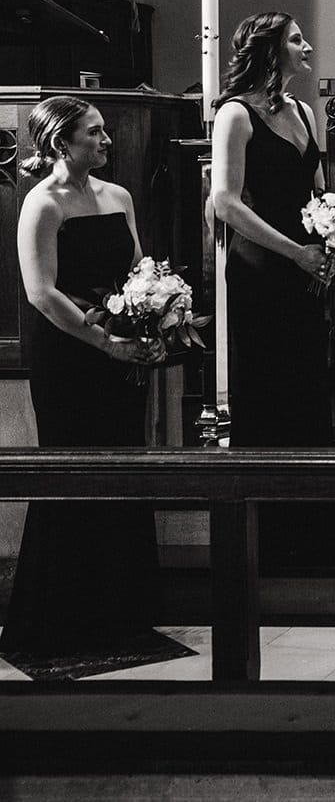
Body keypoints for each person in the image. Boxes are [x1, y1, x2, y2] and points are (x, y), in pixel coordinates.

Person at [3, 98, 164, 655]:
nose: (106, 141)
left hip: (120, 344)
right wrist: (104, 343)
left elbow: (141, 268)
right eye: (94, 133)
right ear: (61, 144)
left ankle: (124, 607)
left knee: (124, 465)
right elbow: (41, 292)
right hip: (70, 355)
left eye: (104, 132)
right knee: (76, 469)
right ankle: (65, 611)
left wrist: (154, 314)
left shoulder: (116, 196)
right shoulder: (41, 205)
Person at [210, 13, 335, 564]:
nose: (308, 46)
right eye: (297, 39)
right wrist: (296, 252)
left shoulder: (303, 110)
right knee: (267, 385)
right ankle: (273, 525)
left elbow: (317, 189)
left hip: (305, 262)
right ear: (270, 50)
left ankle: (314, 513)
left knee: (306, 380)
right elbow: (225, 202)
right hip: (261, 267)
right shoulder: (234, 115)